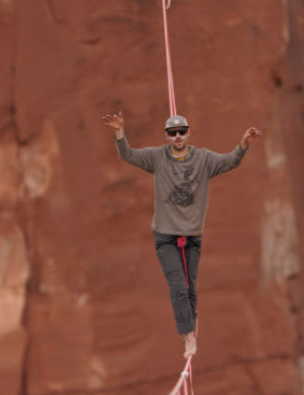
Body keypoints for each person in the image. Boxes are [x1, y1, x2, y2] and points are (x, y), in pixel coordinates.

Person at [102, 111, 261, 359]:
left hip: (192, 235)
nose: (177, 137)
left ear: (189, 133)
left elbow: (231, 161)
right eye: (172, 133)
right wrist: (120, 132)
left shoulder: (204, 159)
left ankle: (190, 321)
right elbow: (128, 155)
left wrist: (243, 145)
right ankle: (188, 337)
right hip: (165, 235)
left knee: (190, 289)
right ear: (166, 136)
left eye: (182, 132)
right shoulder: (157, 158)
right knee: (178, 286)